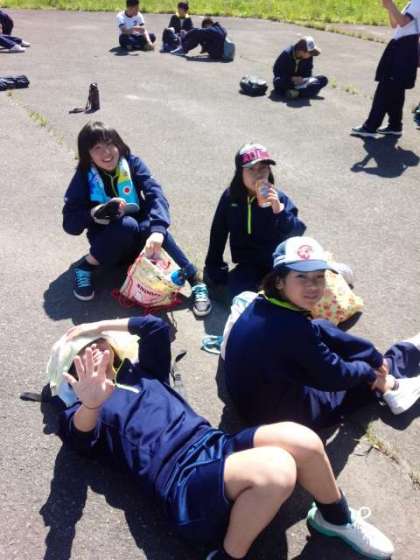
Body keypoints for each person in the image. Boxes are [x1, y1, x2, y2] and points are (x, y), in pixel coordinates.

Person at [53, 314, 394, 560]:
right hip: (181, 483)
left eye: (98, 345)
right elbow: (80, 440)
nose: (95, 352)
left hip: (216, 446)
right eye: (83, 355)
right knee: (277, 470)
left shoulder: (142, 371)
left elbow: (155, 327)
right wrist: (91, 403)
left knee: (301, 439)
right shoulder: (85, 409)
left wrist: (96, 326)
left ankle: (334, 518)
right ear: (71, 375)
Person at [223, 235, 420, 429]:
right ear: (279, 281)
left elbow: (314, 330)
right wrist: (368, 370)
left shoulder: (262, 303)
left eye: (319, 276)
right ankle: (394, 382)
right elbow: (336, 376)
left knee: (320, 325)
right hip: (279, 420)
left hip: (250, 400)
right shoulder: (292, 329)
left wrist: (371, 355)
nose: (313, 286)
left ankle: (380, 360)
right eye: (301, 276)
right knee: (362, 380)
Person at [62, 121, 211, 317]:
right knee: (126, 225)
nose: (106, 152)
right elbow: (70, 223)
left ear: (118, 144)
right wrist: (93, 213)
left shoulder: (132, 163)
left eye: (109, 144)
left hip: (142, 241)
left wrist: (158, 231)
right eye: (97, 148)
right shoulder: (83, 176)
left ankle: (195, 280)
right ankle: (85, 267)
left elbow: (155, 194)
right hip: (108, 243)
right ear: (87, 154)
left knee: (153, 226)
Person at [204, 143, 306, 301]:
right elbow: (218, 232)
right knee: (234, 296)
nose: (258, 175)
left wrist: (280, 212)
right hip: (248, 265)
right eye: (251, 169)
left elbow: (297, 234)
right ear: (240, 172)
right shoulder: (230, 198)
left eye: (263, 168)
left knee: (287, 298)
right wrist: (214, 266)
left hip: (276, 265)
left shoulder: (278, 198)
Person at [352, 0, 420, 138]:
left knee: (385, 87)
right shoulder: (413, 2)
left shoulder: (418, 3)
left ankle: (370, 127)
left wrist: (390, 4)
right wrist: (389, 6)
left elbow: (402, 22)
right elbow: (394, 24)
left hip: (405, 47)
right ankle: (394, 126)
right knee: (396, 89)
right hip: (402, 46)